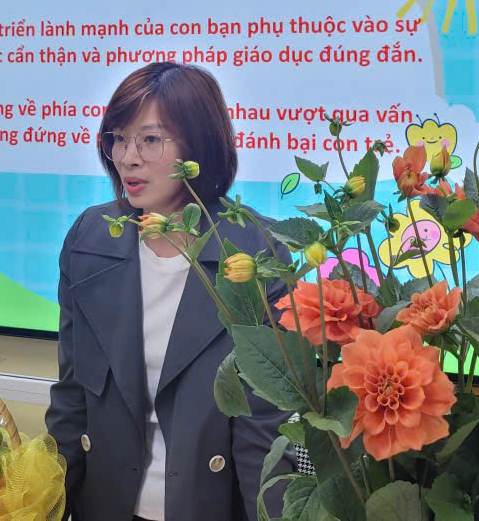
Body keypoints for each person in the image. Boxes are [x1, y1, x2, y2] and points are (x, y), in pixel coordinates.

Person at [45, 63, 294, 521]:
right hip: (105, 504)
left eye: (150, 140)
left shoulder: (255, 253)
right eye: (118, 138)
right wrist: (50, 505)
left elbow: (264, 430)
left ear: (197, 146)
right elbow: (71, 399)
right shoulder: (89, 239)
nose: (127, 158)